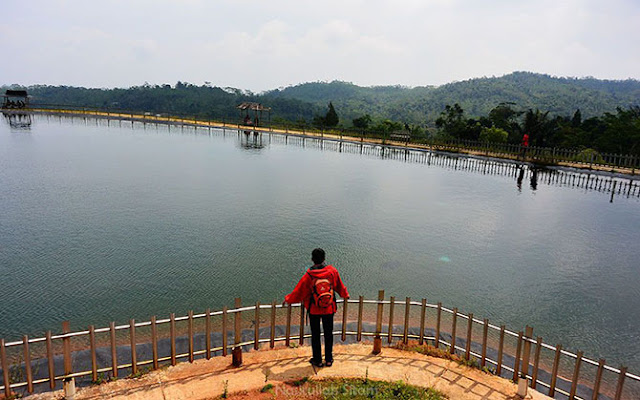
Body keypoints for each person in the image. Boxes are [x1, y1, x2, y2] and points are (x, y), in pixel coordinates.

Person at [283, 248, 349, 368]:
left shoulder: (309, 275)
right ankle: (329, 359)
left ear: (312, 259)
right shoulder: (332, 271)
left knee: (316, 335)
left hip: (314, 309)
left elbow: (299, 292)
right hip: (329, 308)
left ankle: (317, 360)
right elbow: (339, 286)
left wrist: (288, 299)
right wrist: (345, 295)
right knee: (329, 334)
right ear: (324, 258)